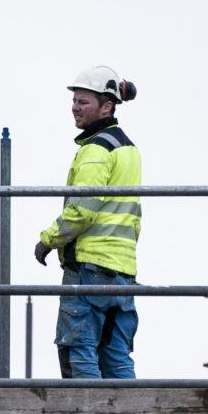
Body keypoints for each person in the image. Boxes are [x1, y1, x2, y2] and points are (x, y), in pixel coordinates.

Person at [37, 65, 142, 379]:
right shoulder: (129, 150)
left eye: (83, 102)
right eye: (74, 101)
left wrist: (48, 240)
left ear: (106, 106)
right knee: (116, 356)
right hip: (122, 271)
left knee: (79, 350)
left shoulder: (96, 149)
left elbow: (81, 211)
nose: (75, 108)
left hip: (89, 269)